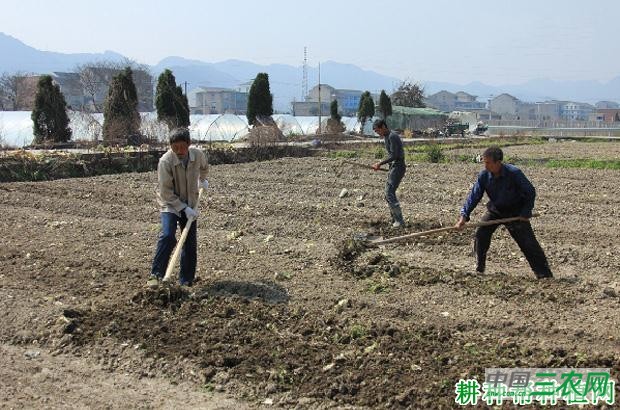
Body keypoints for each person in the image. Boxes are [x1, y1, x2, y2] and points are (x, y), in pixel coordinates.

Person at [455, 146, 553, 279]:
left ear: (498, 162)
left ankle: (544, 275)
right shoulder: (484, 176)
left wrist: (525, 212)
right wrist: (464, 216)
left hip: (516, 212)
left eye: (488, 163)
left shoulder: (514, 173)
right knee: (481, 233)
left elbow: (530, 191)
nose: (486, 166)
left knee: (528, 243)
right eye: (484, 162)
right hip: (496, 210)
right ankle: (480, 267)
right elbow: (474, 196)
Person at [148, 128, 209, 287]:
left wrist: (202, 180)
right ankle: (156, 275)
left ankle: (186, 281)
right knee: (168, 236)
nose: (179, 151)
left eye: (182, 147)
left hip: (190, 202)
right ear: (170, 146)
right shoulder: (165, 162)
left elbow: (204, 167)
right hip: (170, 204)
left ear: (188, 144)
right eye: (175, 147)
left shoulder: (198, 155)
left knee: (189, 243)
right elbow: (166, 192)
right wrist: (183, 209)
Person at [372, 119, 406, 228]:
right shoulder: (387, 137)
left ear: (383, 127)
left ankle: (399, 221)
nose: (378, 133)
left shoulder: (392, 136)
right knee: (387, 194)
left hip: (398, 166)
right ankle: (394, 219)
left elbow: (394, 156)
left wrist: (379, 163)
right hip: (394, 167)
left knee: (389, 192)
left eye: (378, 131)